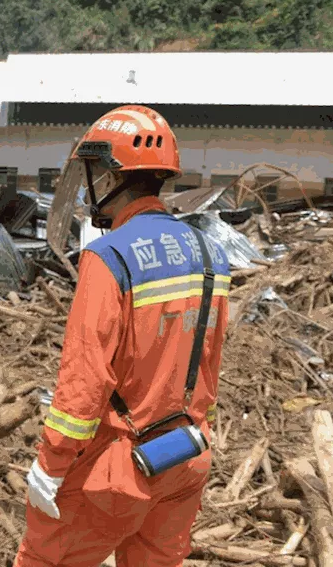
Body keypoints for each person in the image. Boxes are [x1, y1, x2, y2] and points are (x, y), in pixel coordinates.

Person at [15, 105, 231, 566]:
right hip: (186, 455)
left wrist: (51, 465)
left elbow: (85, 379)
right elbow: (209, 361)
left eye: (94, 170)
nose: (90, 183)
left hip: (119, 467)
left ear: (113, 177)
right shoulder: (210, 254)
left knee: (45, 559)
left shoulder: (108, 256)